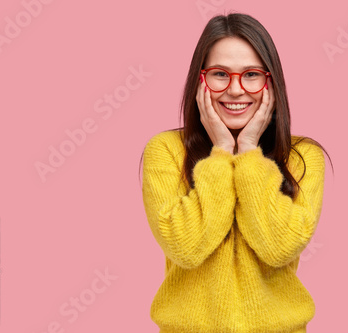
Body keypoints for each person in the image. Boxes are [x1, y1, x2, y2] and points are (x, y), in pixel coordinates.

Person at [140, 12, 332, 333]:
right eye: (220, 74)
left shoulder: (303, 157)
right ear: (200, 80)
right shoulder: (166, 151)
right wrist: (220, 154)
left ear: (270, 81)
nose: (236, 89)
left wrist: (248, 153)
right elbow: (186, 248)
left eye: (251, 74)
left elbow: (278, 247)